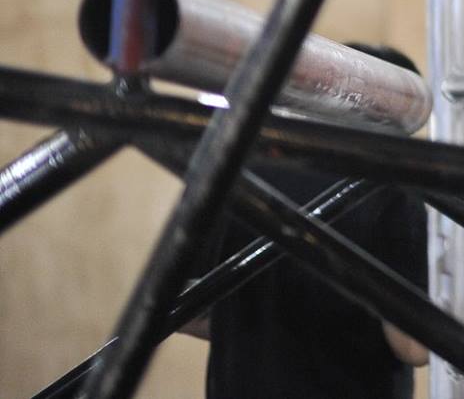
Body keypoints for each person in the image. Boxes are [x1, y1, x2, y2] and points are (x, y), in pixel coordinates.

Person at [183, 43, 430, 396]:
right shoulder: (393, 191)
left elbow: (184, 308)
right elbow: (413, 346)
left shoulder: (240, 175)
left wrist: (252, 328)